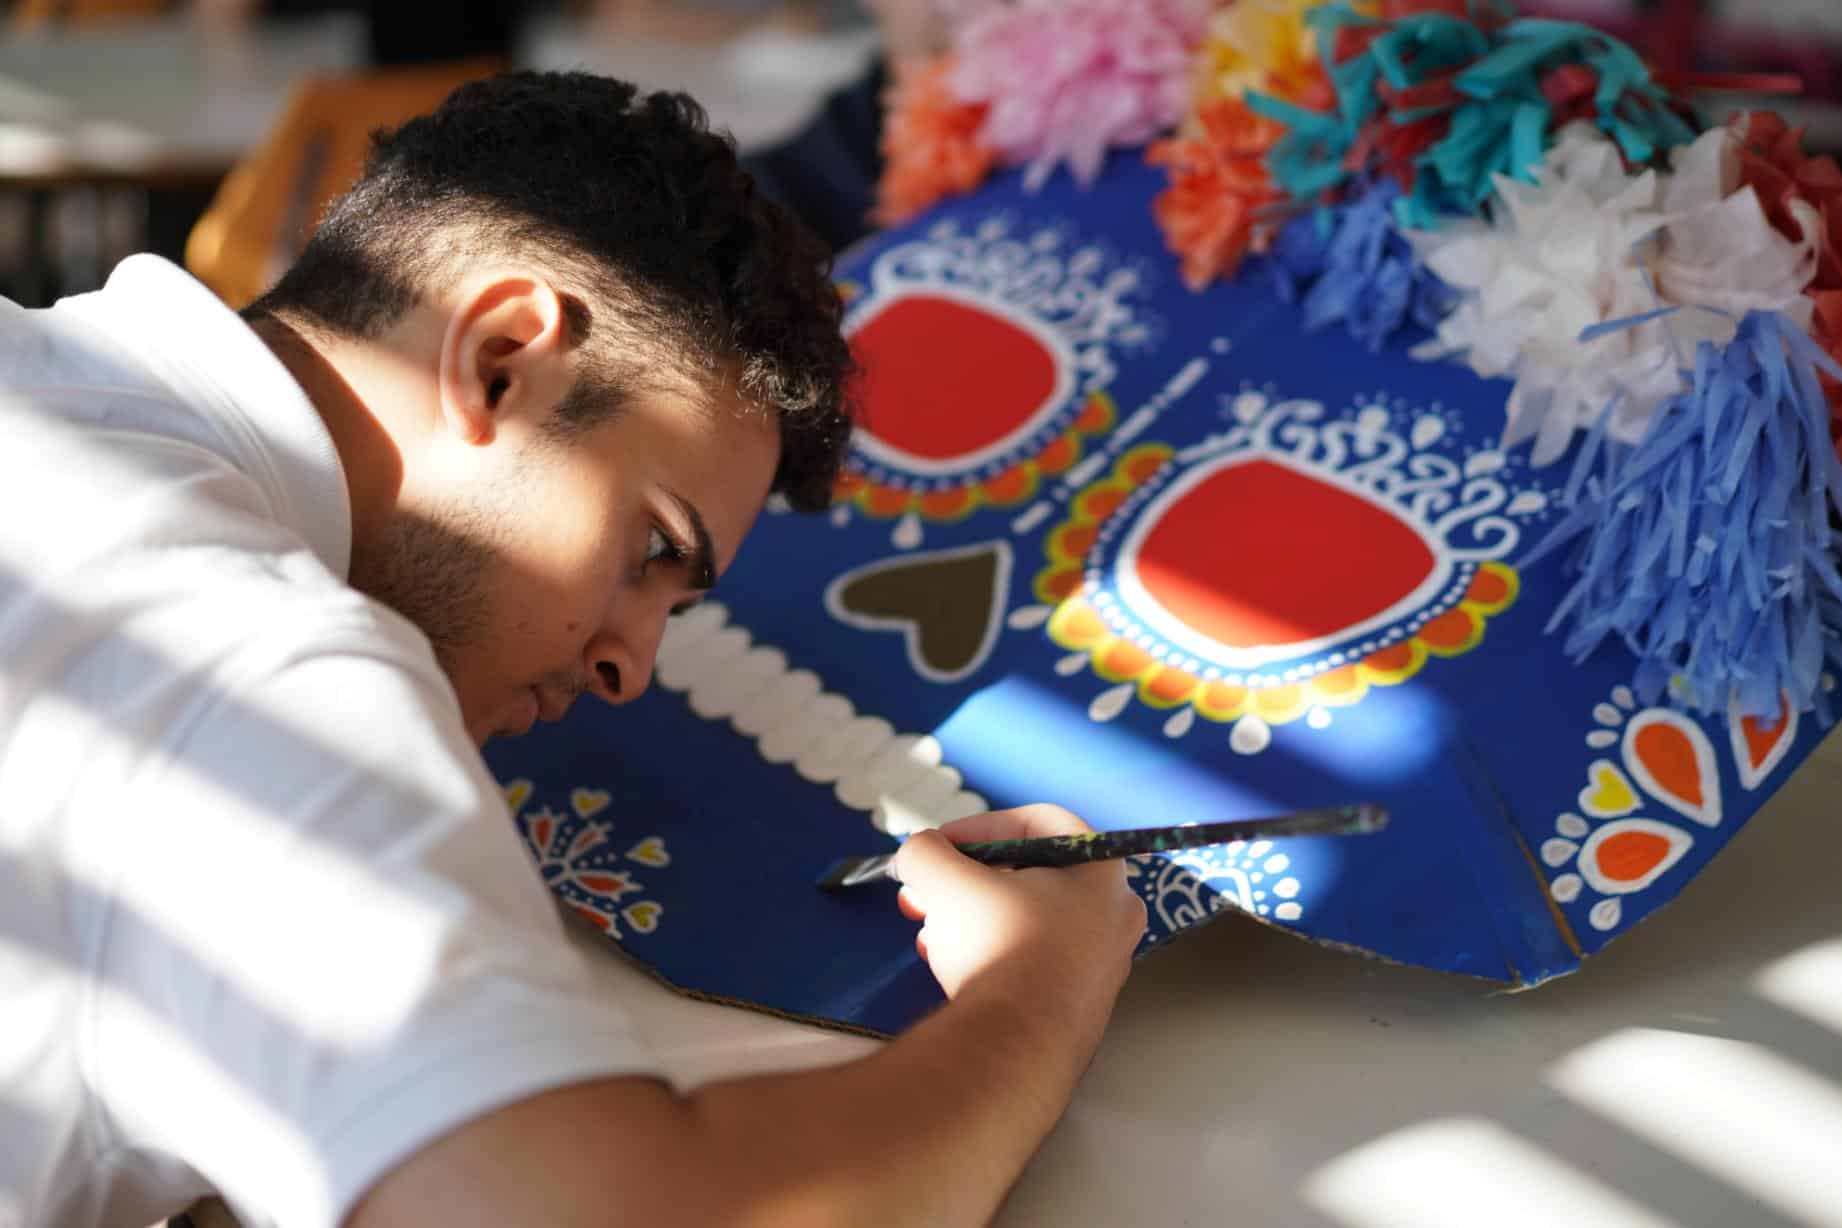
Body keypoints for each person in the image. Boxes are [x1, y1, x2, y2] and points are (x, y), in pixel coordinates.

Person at [0, 71, 1146, 1228]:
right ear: (500, 356)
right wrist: (1036, 995)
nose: (628, 666)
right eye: (651, 546)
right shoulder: (260, 673)